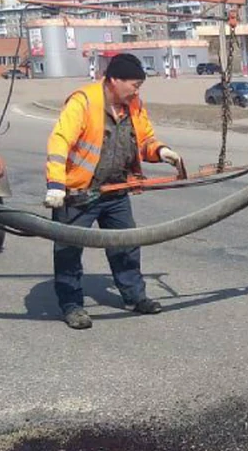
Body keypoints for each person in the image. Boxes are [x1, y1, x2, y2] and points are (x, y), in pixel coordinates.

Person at [44, 53, 184, 329]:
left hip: (116, 191)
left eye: (139, 86)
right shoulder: (83, 102)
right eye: (134, 84)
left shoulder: (133, 105)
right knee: (68, 250)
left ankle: (134, 296)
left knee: (126, 244)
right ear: (114, 80)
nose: (136, 90)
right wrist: (57, 186)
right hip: (78, 194)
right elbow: (60, 141)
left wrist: (161, 151)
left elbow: (143, 140)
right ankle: (72, 305)